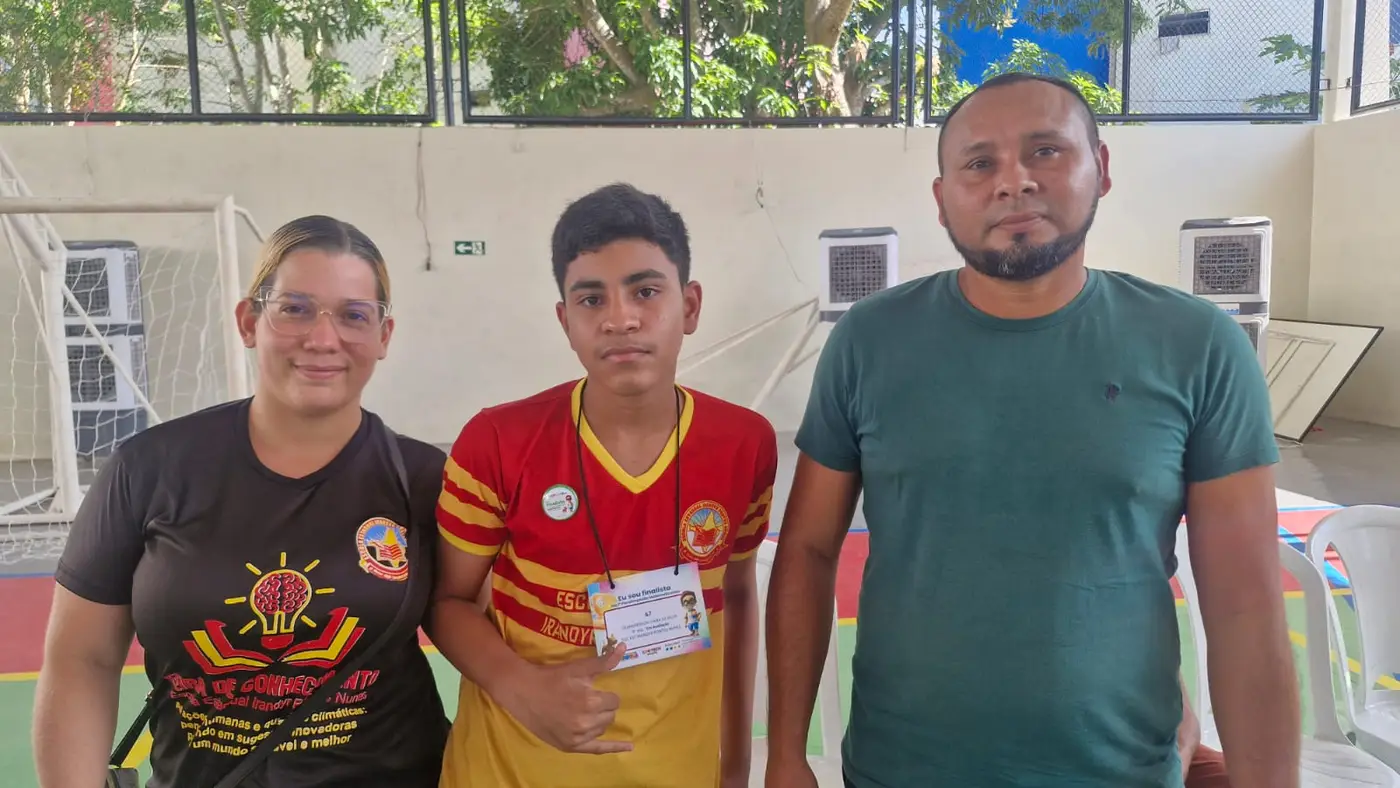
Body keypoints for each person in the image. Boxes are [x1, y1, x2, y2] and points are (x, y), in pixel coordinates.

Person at [764, 72, 1299, 788]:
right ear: (941, 199)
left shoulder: (1199, 347)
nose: (1013, 181)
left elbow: (1245, 605)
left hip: (1122, 772)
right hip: (899, 771)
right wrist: (785, 755)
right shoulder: (868, 342)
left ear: (1100, 167)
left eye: (1045, 150)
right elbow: (804, 551)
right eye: (979, 162)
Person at [32, 215, 450, 788]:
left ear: (383, 336)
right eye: (295, 308)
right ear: (249, 322)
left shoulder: (424, 480)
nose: (323, 338)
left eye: (354, 315)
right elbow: (84, 658)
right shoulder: (147, 469)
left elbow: (481, 627)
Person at [430, 182, 776, 788]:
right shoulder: (497, 441)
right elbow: (448, 603)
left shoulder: (744, 444)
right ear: (566, 321)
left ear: (690, 306)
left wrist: (736, 764)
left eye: (645, 291)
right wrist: (521, 687)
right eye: (591, 299)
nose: (620, 318)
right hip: (507, 772)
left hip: (679, 773)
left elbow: (738, 594)